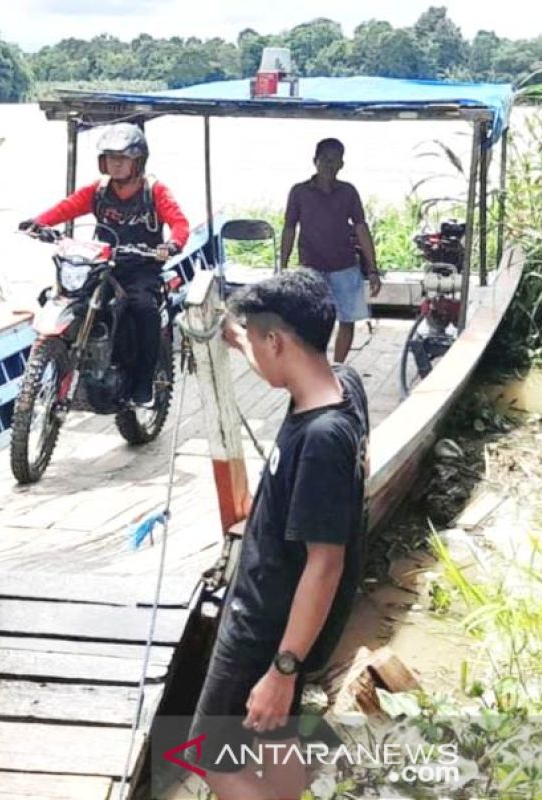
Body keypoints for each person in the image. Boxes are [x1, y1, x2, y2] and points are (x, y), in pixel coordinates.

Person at [190, 269, 369, 800]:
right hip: (291, 622)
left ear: (280, 341)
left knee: (206, 754)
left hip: (267, 628)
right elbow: (269, 354)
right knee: (274, 735)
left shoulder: (319, 441)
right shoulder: (344, 383)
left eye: (259, 338)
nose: (255, 351)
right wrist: (233, 332)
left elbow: (325, 563)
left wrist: (282, 669)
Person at [18, 123, 189, 405]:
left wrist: (172, 245)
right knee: (58, 296)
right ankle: (60, 365)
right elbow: (68, 206)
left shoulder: (154, 191)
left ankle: (143, 384)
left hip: (140, 267)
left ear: (138, 161)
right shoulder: (98, 191)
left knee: (144, 309)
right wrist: (39, 223)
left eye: (123, 158)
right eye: (111, 158)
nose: (116, 164)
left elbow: (179, 222)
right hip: (102, 265)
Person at [281, 138, 382, 363]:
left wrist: (373, 269)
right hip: (311, 268)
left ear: (341, 164)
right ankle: (315, 365)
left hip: (344, 265)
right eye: (325, 159)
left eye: (334, 160)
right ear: (314, 161)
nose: (329, 165)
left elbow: (361, 228)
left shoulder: (348, 192)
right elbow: (289, 228)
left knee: (347, 319)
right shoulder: (299, 192)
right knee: (311, 320)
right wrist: (283, 265)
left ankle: (337, 366)